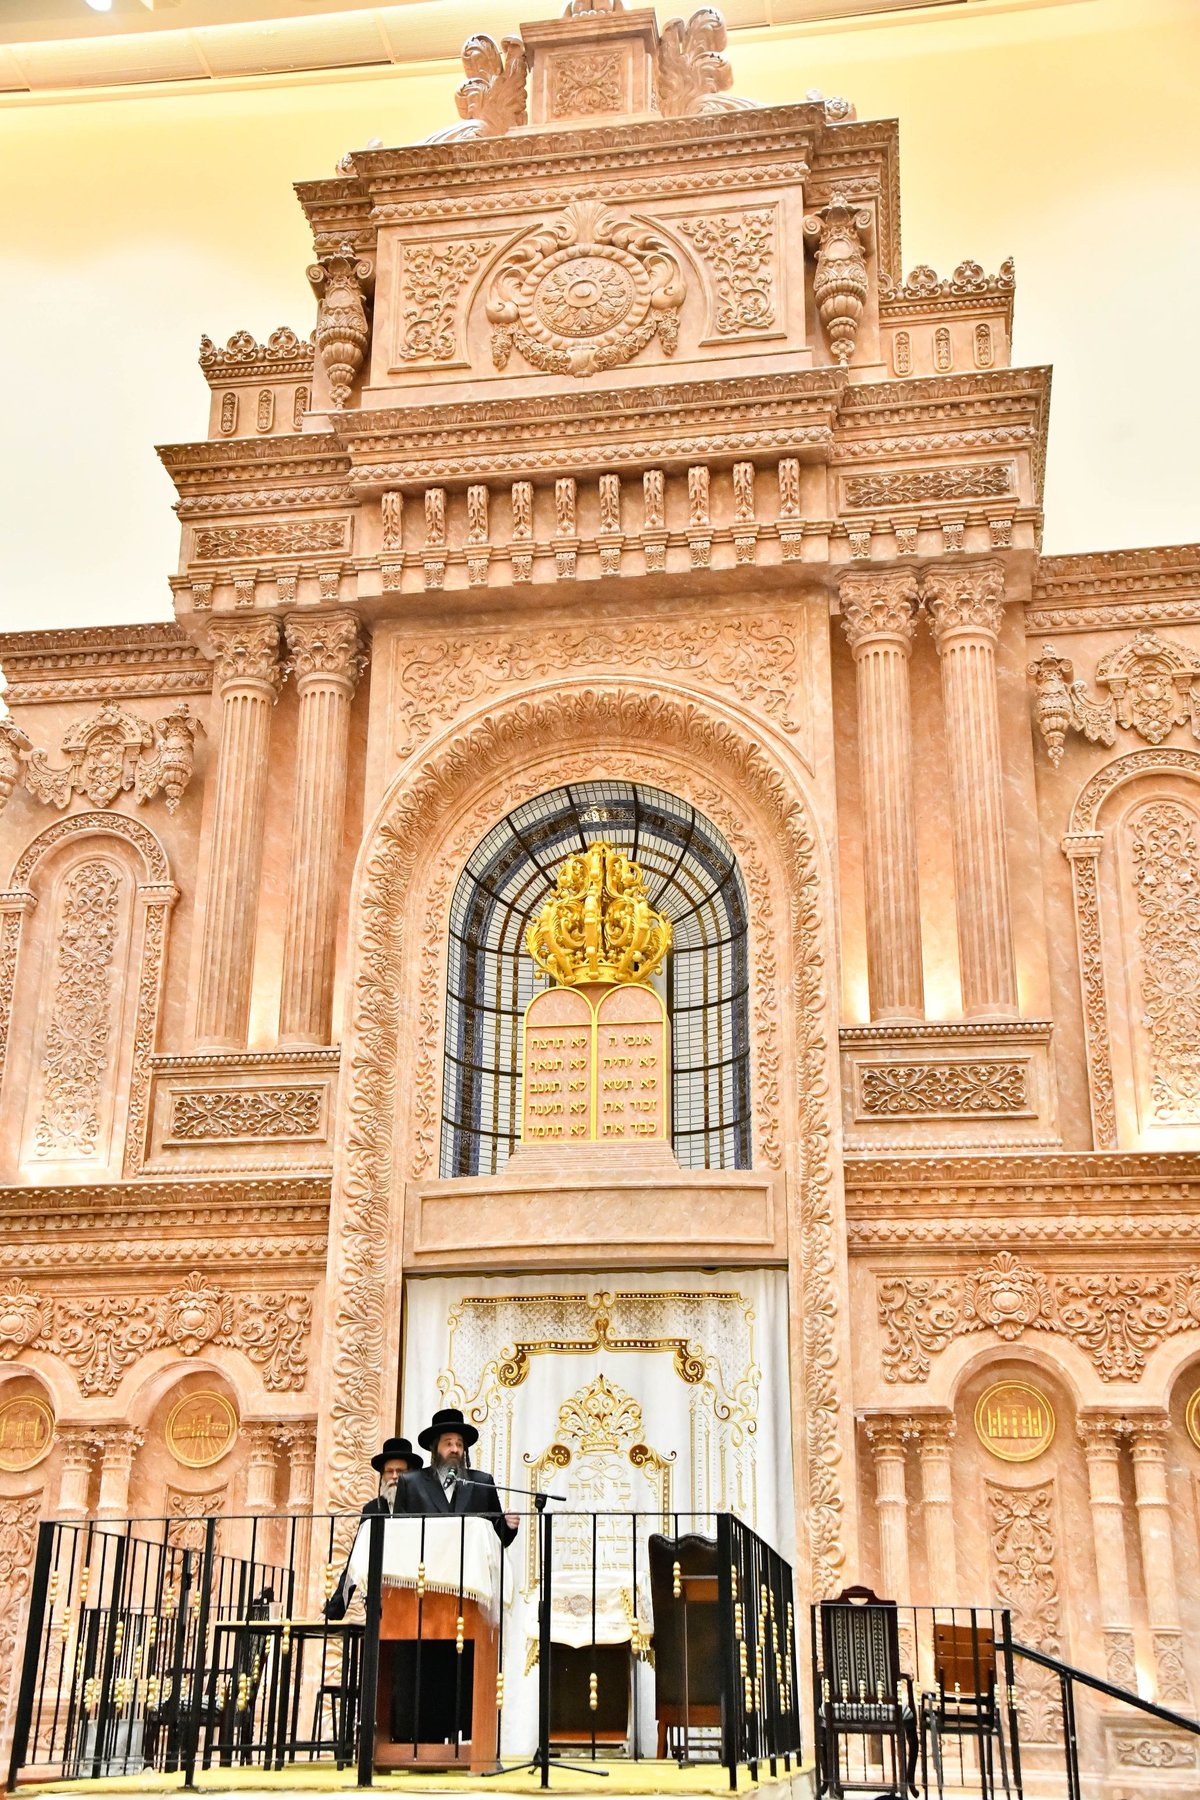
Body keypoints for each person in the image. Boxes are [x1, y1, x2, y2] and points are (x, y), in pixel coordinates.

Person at [323, 1435, 424, 1619]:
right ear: (382, 1476)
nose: (395, 1477)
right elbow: (357, 1555)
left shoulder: (421, 1507)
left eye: (400, 1471)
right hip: (379, 1597)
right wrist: (337, 1606)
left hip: (414, 1593)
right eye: (389, 1471)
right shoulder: (372, 1508)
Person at [395, 1406, 519, 1546]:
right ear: (434, 1447)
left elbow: (498, 1539)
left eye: (459, 1444)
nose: (455, 1449)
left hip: (470, 1566)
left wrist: (508, 1525)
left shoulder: (482, 1483)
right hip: (425, 1565)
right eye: (448, 1443)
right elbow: (399, 1534)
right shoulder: (411, 1483)